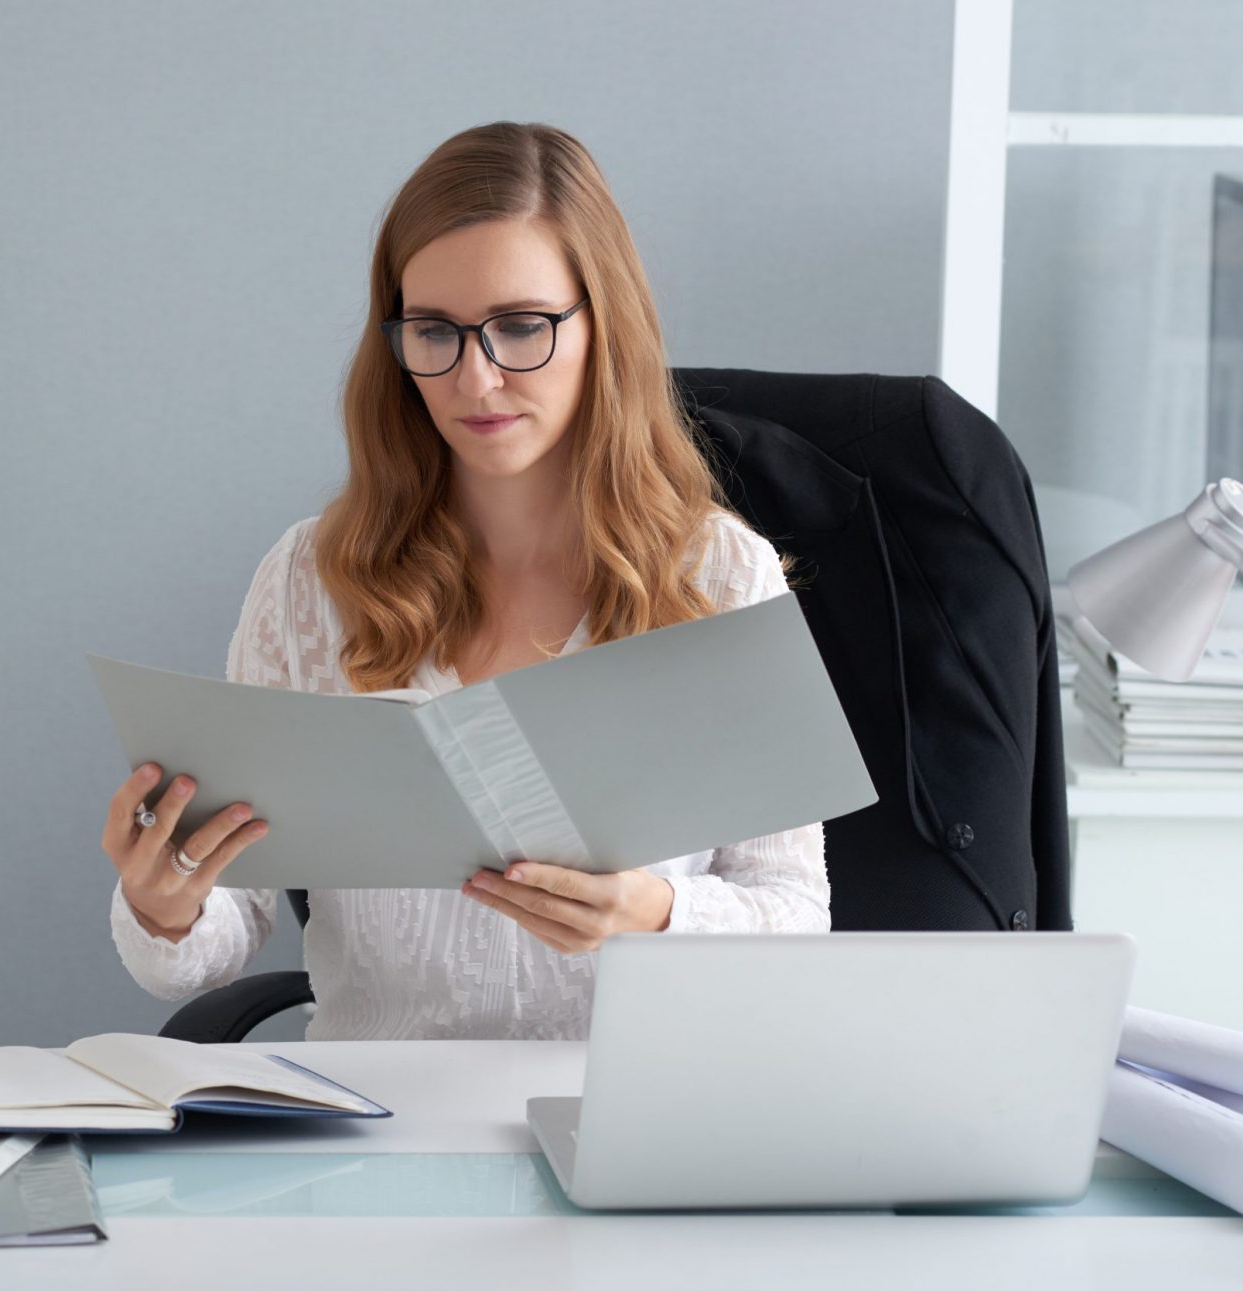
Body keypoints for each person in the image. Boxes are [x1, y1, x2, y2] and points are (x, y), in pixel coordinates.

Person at [102, 121, 828, 1041]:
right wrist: (164, 901)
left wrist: (652, 914)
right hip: (375, 1125)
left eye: (522, 327)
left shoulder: (720, 577)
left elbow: (798, 917)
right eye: (434, 332)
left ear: (605, 326)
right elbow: (223, 928)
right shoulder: (308, 580)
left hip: (631, 1118)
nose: (476, 380)